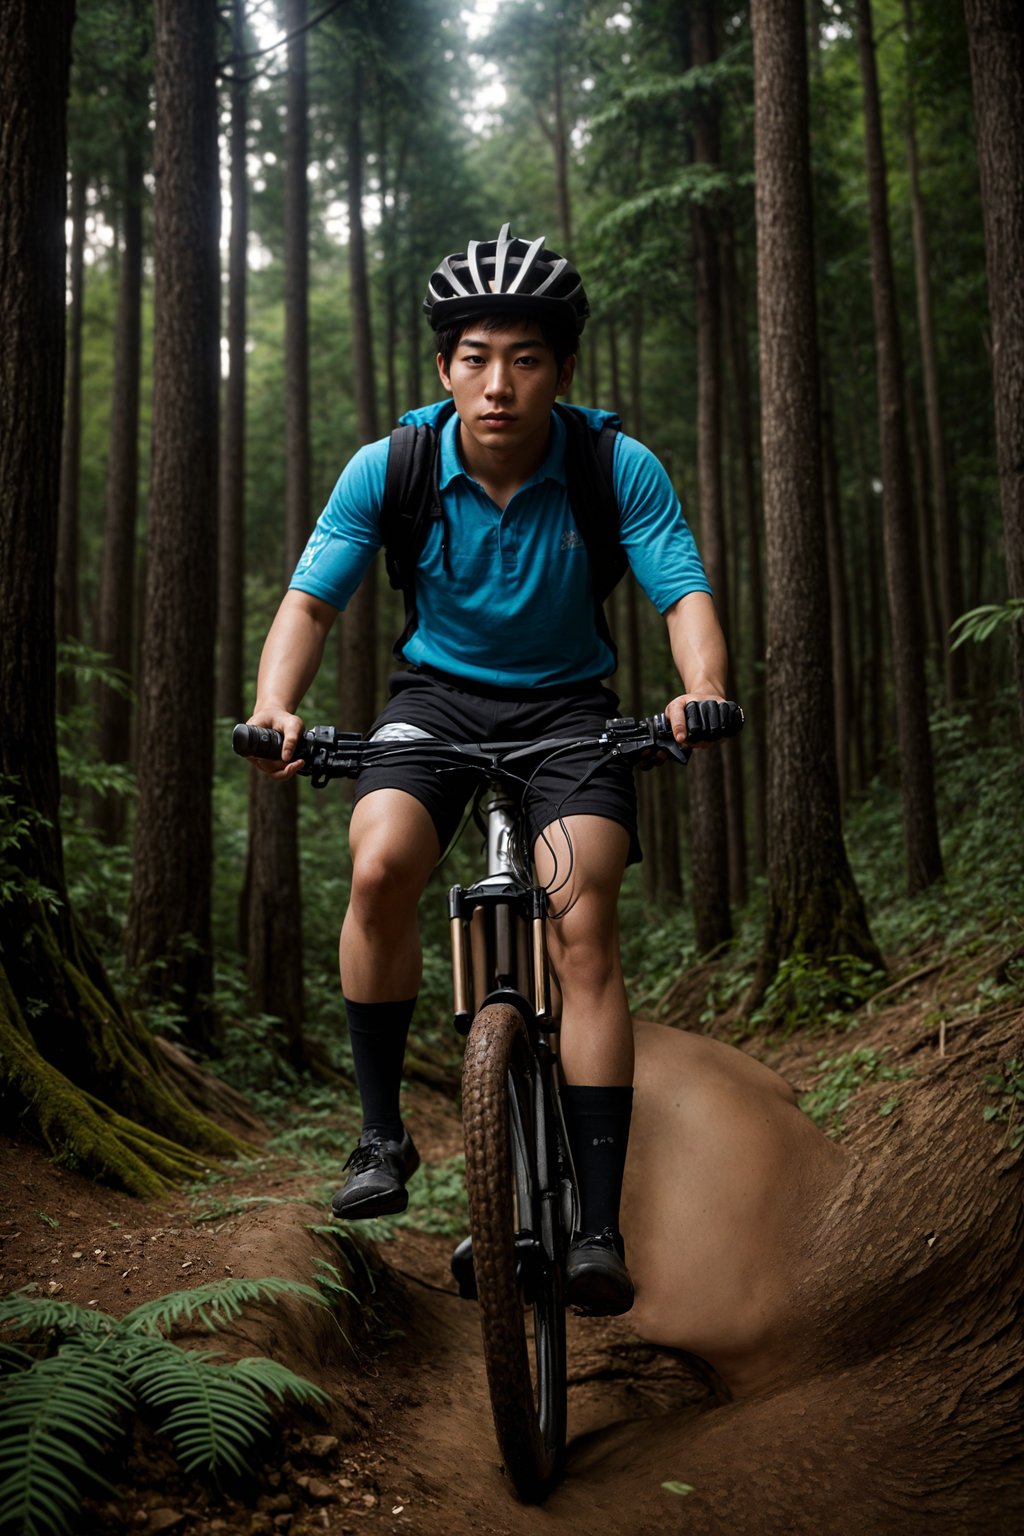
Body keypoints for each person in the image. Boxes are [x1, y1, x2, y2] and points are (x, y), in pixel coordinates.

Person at [246, 224, 740, 1317]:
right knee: (377, 866)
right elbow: (311, 600)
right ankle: (382, 1135)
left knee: (580, 918)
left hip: (571, 710)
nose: (498, 383)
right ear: (443, 369)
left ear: (562, 371)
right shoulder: (397, 466)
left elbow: (681, 592)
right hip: (435, 702)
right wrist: (276, 705)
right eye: (474, 356)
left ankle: (597, 1226)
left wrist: (697, 688)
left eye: (524, 359)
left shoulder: (614, 465)